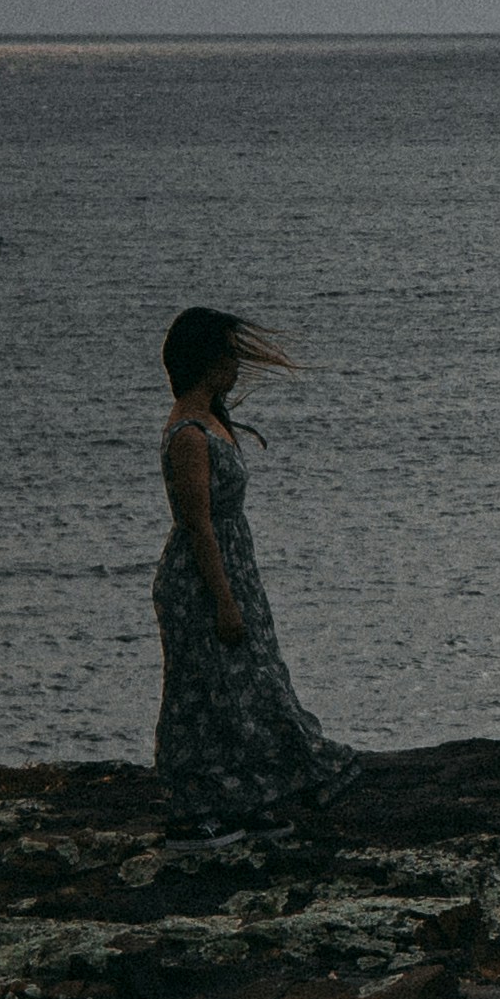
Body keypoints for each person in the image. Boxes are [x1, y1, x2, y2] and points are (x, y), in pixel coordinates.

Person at [152, 305, 350, 835]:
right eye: (229, 356)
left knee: (248, 686)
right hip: (203, 579)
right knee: (204, 692)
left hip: (233, 571)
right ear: (207, 362)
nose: (237, 366)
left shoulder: (212, 421)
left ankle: (251, 791)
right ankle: (193, 810)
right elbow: (198, 527)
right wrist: (223, 600)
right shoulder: (190, 434)